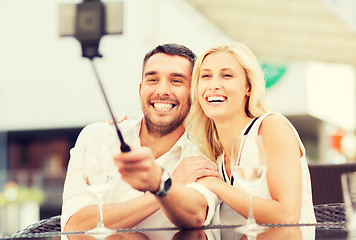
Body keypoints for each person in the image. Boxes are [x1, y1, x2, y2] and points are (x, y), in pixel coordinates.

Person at [61, 43, 220, 231]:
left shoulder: (201, 157)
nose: (162, 91)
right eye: (152, 79)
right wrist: (166, 184)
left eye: (176, 81)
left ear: (193, 94)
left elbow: (195, 215)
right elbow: (75, 226)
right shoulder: (98, 137)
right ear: (140, 89)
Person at [187, 42, 316, 225]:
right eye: (206, 76)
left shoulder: (271, 126)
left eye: (226, 75)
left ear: (248, 87)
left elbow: (287, 215)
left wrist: (216, 185)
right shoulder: (215, 159)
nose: (214, 84)